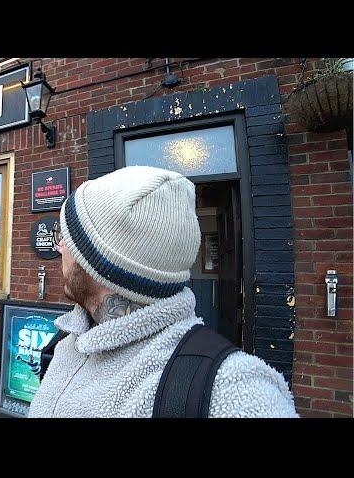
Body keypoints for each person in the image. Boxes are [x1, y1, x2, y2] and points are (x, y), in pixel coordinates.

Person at [27, 166, 299, 418]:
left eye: (68, 238)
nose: (60, 247)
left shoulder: (230, 390)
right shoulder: (69, 341)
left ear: (97, 264)